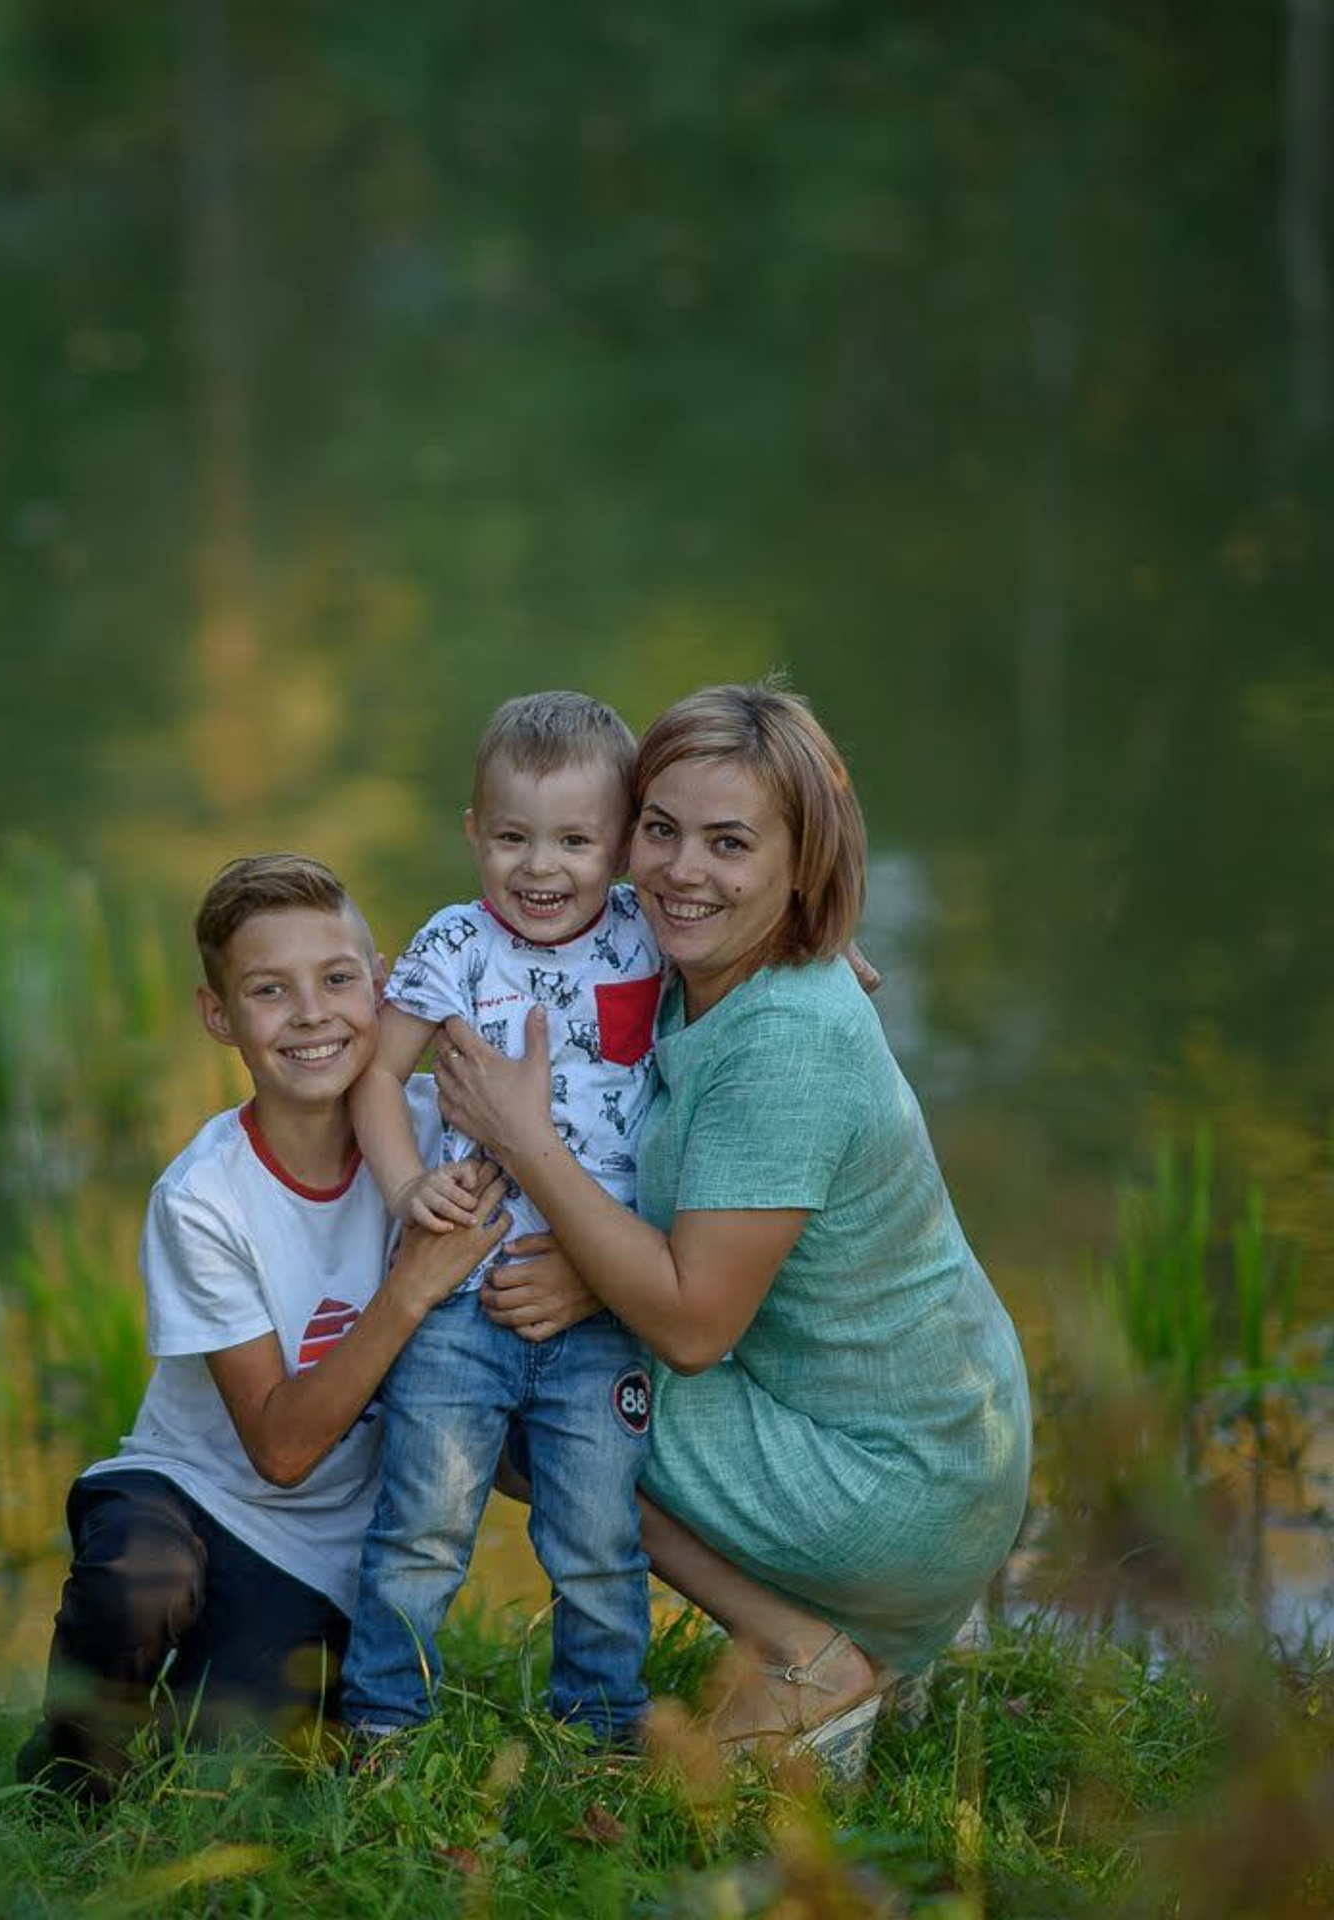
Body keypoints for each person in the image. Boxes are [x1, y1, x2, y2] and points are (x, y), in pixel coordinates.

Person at [434, 684, 1032, 1782]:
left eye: (729, 844)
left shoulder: (784, 1046)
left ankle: (807, 1651)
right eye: (659, 831)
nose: (681, 871)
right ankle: (856, 1639)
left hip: (895, 1478)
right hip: (911, 1431)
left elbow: (698, 1327)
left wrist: (530, 1149)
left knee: (510, 1366)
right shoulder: (691, 961)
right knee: (524, 1324)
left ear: (802, 864)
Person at [13, 854, 506, 1802]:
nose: (313, 1013)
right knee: (135, 1582)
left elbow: (593, 1028)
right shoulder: (203, 1197)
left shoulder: (435, 1130)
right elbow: (280, 1450)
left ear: (384, 981)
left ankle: (191, 1694)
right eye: (269, 991)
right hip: (194, 1491)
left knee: (228, 1769)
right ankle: (70, 1771)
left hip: (328, 1550)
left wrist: (796, 953)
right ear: (219, 1017)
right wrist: (409, 1289)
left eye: (337, 979)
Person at [340, 692, 659, 1743]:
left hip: (596, 1309)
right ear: (474, 831)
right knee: (421, 1530)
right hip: (456, 1302)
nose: (542, 867)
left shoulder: (647, 936)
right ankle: (386, 1727)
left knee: (600, 1541)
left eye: (576, 840)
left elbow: (757, 962)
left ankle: (602, 1735)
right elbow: (380, 1076)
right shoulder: (453, 942)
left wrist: (827, 952)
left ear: (622, 845)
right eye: (513, 837)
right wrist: (401, 1189)